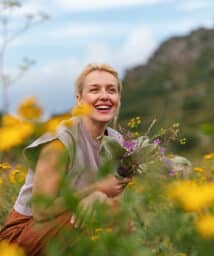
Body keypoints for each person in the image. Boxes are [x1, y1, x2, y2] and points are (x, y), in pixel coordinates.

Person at [0, 63, 131, 255]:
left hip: (67, 225)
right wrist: (97, 190)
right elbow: (41, 210)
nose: (104, 95)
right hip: (21, 236)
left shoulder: (116, 142)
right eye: (94, 90)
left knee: (122, 218)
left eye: (111, 90)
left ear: (118, 99)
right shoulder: (60, 141)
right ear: (79, 99)